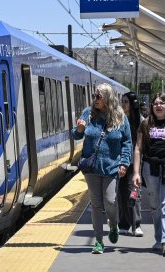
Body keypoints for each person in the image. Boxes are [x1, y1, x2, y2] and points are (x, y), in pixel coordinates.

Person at [72, 83, 132, 254]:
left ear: (108, 98)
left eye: (99, 96)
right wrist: (79, 129)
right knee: (97, 205)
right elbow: (76, 134)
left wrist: (124, 163)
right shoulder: (88, 113)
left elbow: (127, 142)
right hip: (91, 167)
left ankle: (113, 224)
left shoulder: (120, 117)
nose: (95, 99)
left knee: (111, 201)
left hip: (112, 167)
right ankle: (98, 241)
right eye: (94, 96)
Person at [132, 92, 165, 256]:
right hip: (150, 168)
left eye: (162, 103)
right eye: (156, 103)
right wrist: (136, 173)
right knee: (154, 205)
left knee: (164, 205)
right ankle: (159, 238)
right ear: (152, 107)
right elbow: (138, 149)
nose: (159, 106)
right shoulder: (146, 124)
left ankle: (164, 241)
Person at [117, 92, 143, 237]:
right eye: (122, 101)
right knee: (121, 193)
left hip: (135, 163)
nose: (123, 104)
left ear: (133, 104)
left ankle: (137, 224)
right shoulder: (118, 120)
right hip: (121, 162)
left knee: (134, 193)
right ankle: (124, 224)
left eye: (126, 102)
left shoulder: (141, 120)